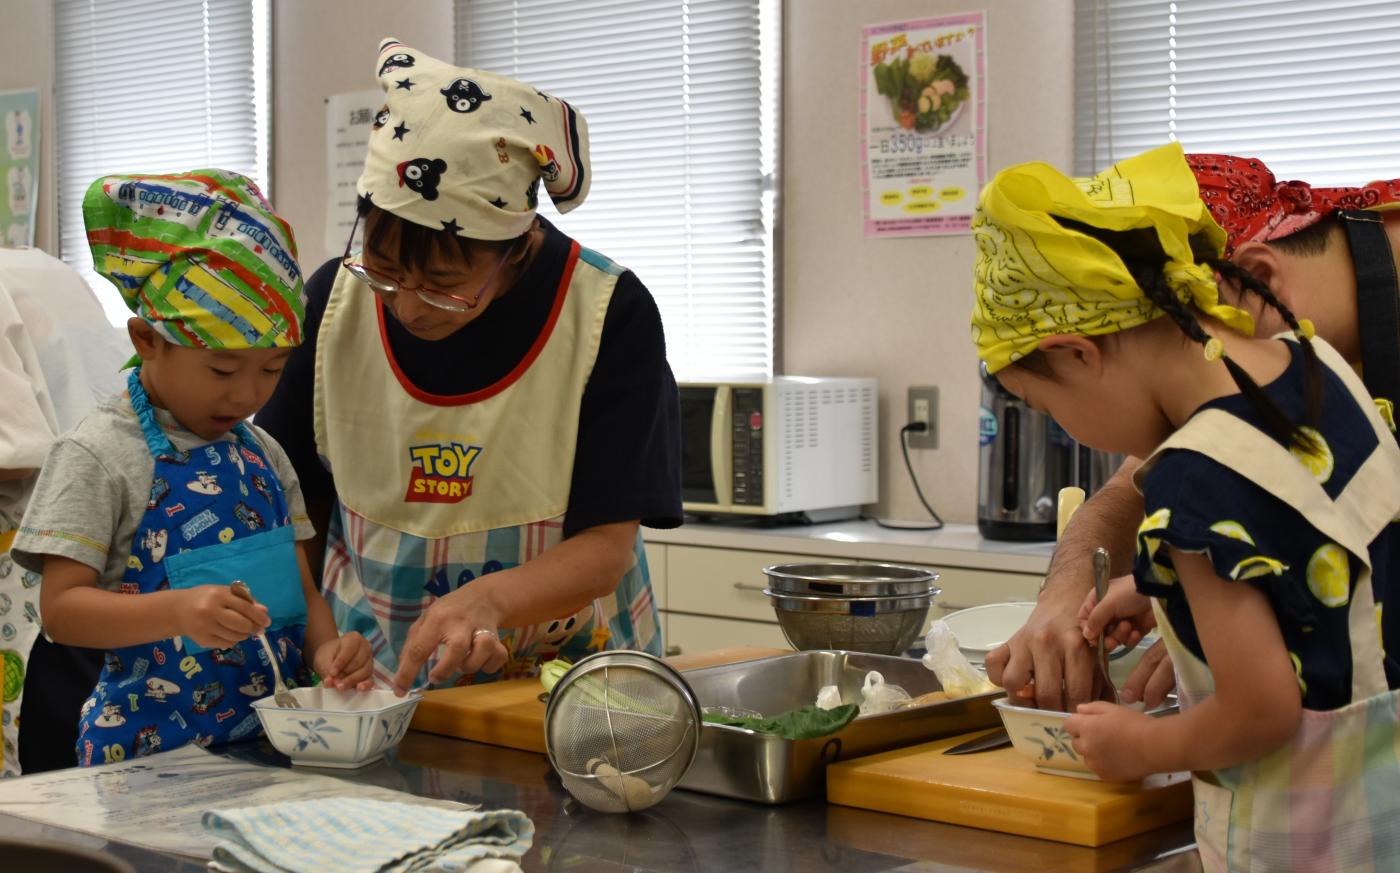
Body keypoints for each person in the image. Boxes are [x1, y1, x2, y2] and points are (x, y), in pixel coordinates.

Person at [970, 142, 1400, 870]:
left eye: (1049, 408)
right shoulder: (1315, 367)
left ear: (1079, 353)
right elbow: (1338, 549)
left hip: (1298, 841)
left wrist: (1142, 746)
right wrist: (1172, 582)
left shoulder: (1191, 480)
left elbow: (1261, 711)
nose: (1072, 432)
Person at [256, 39, 681, 694]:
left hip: (573, 691)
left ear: (517, 244)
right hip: (375, 682)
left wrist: (487, 600)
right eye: (386, 270)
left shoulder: (603, 314)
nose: (405, 307)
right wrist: (314, 639)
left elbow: (606, 549)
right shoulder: (331, 307)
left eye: (443, 284)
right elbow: (295, 511)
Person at [11, 170, 373, 769]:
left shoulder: (262, 453)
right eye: (224, 371)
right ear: (146, 340)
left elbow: (302, 591)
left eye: (272, 369)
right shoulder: (98, 455)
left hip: (270, 749)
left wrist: (329, 651)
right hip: (144, 763)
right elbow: (62, 610)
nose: (247, 395)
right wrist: (178, 611)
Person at [0, 247, 131, 776]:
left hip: (34, 571)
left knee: (43, 788)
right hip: (105, 539)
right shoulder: (37, 264)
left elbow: (15, 454)